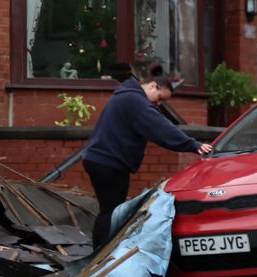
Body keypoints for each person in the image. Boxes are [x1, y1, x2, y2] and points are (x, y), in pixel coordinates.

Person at [80, 70, 211, 250]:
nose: (158, 104)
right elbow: (160, 128)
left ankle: (102, 252)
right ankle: (101, 254)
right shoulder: (135, 101)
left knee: (109, 210)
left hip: (100, 159)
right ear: (152, 86)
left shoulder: (125, 96)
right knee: (111, 212)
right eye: (159, 98)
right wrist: (192, 145)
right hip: (109, 163)